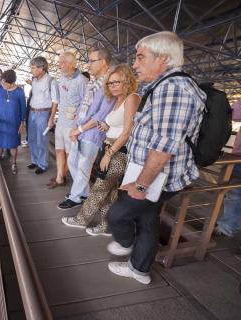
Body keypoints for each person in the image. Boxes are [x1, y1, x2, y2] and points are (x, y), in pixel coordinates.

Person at [106, 31, 206, 284]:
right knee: (148, 217)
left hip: (160, 177)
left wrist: (141, 184)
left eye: (140, 58)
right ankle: (139, 269)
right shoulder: (163, 86)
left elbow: (163, 148)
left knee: (117, 215)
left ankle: (127, 244)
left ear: (163, 58)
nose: (135, 64)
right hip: (152, 175)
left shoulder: (173, 89)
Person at [62, 64, 140, 236]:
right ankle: (106, 226)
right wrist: (106, 126)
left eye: (116, 82)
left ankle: (81, 219)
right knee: (110, 192)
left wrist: (109, 153)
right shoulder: (118, 99)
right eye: (109, 83)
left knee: (99, 187)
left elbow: (127, 132)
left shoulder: (132, 98)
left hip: (119, 151)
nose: (112, 86)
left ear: (127, 81)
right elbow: (118, 124)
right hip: (109, 145)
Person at [57, 48, 114, 208]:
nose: (88, 64)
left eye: (91, 60)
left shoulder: (109, 83)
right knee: (73, 161)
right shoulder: (93, 82)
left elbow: (100, 115)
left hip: (93, 132)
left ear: (103, 62)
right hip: (81, 129)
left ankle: (75, 197)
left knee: (83, 165)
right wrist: (75, 126)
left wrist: (79, 129)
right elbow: (83, 105)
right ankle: (84, 193)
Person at [46, 51, 88, 188]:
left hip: (72, 123)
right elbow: (58, 99)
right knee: (59, 149)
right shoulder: (62, 78)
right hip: (61, 121)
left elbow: (85, 103)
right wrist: (53, 117)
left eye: (61, 63)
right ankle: (60, 177)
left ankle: (61, 177)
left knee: (70, 153)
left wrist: (77, 122)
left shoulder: (82, 80)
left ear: (69, 64)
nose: (59, 65)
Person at [26, 56, 58, 174]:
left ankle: (42, 164)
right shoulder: (34, 80)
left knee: (42, 140)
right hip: (32, 112)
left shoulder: (51, 81)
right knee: (32, 138)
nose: (31, 70)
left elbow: (55, 101)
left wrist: (51, 118)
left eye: (33, 68)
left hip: (43, 113)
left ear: (41, 68)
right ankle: (34, 161)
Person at [215, 99, 241, 237]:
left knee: (235, 193)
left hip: (239, 157)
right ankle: (230, 225)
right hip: (238, 156)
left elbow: (233, 114)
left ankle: (227, 227)